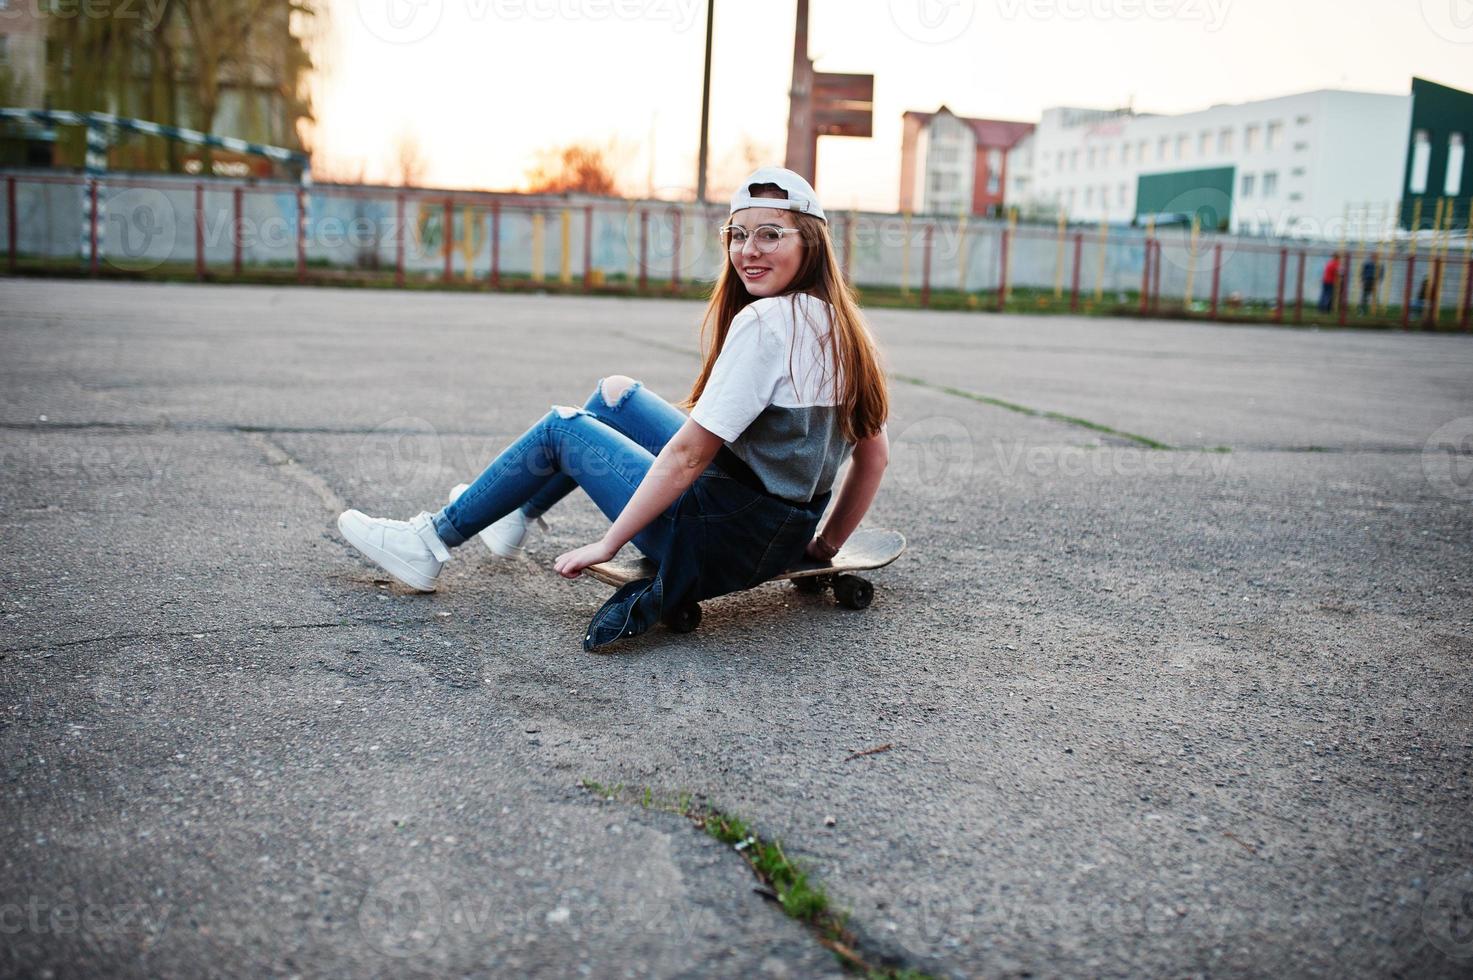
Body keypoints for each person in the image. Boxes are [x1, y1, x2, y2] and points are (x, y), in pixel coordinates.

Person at [335, 167, 891, 650]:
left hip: (712, 536)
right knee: (615, 394)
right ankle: (514, 513)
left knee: (562, 429)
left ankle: (429, 542)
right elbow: (874, 459)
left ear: (810, 242)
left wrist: (610, 543)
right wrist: (823, 545)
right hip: (771, 534)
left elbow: (688, 458)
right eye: (738, 234)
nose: (748, 250)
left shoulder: (765, 323)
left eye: (770, 234)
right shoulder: (844, 327)